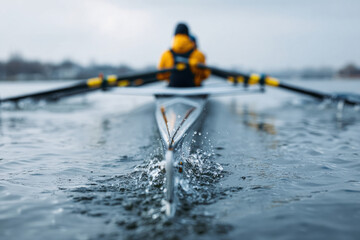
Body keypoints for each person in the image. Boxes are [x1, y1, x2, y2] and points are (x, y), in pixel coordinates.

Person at [157, 23, 210, 87]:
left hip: (172, 89)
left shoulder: (165, 55)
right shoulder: (199, 54)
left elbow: (160, 76)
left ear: (174, 36)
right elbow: (205, 75)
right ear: (188, 35)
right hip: (194, 91)